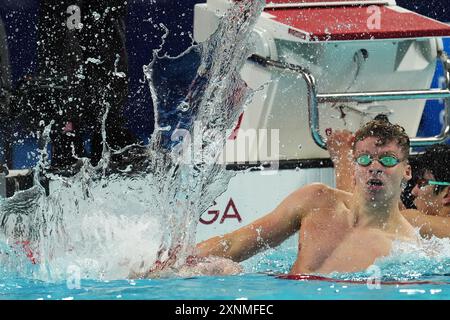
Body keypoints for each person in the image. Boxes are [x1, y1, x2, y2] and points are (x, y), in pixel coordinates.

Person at [194, 119, 426, 274]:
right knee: (218, 268)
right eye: (364, 159)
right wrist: (180, 258)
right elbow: (234, 243)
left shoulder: (404, 249)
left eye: (387, 159)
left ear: (407, 171)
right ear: (354, 165)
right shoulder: (316, 200)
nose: (374, 167)